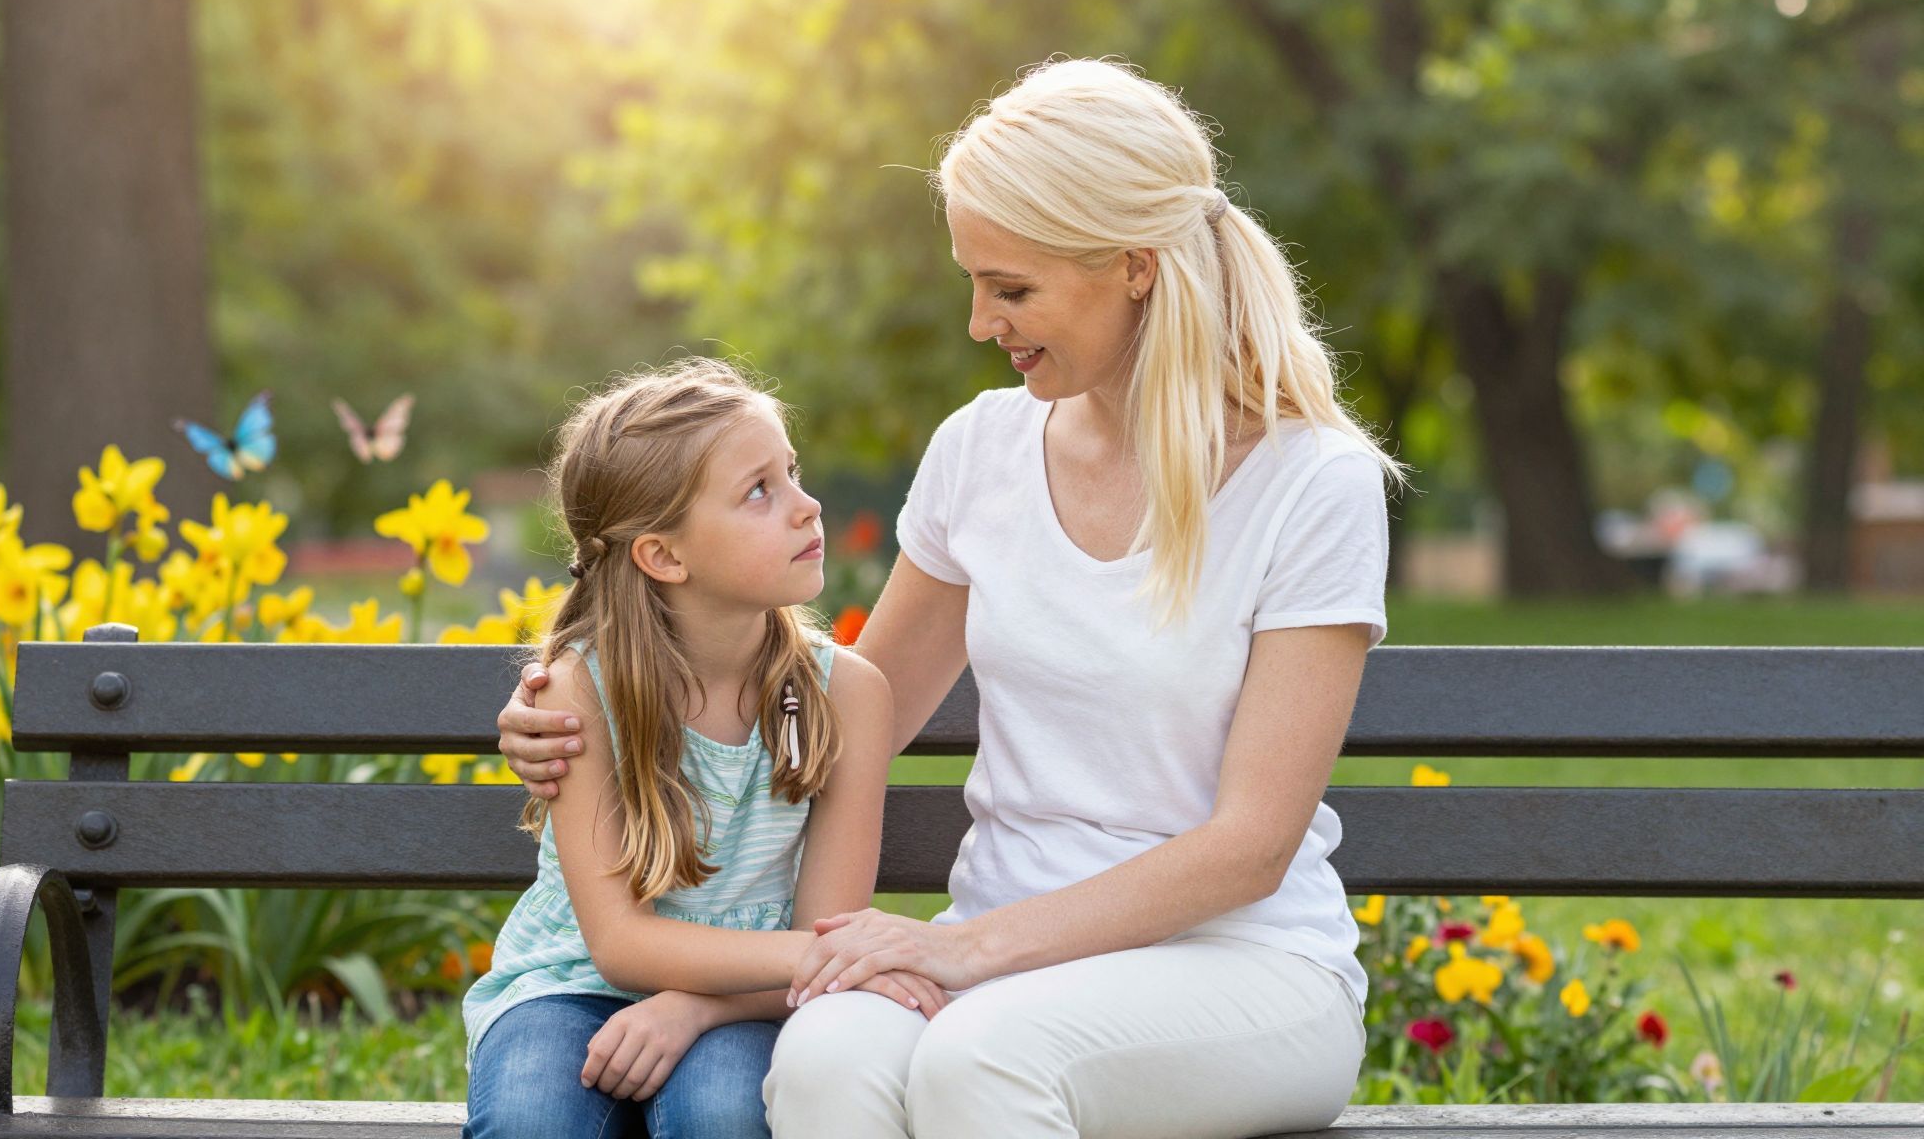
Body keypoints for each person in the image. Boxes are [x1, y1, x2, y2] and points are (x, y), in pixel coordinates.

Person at [496, 58, 1405, 1138]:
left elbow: (1249, 845)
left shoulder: (1312, 482)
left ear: (1132, 265)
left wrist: (962, 951)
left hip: (1244, 970)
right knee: (828, 1058)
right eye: (973, 282)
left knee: (983, 1063)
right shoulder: (980, 451)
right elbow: (826, 719)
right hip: (997, 956)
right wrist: (583, 710)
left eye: (1010, 288)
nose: (980, 323)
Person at [461, 360, 926, 1139]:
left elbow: (826, 940)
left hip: (753, 998)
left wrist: (695, 1009)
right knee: (529, 1120)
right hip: (568, 985)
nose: (808, 507)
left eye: (793, 473)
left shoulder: (847, 694)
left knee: (722, 1115)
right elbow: (619, 945)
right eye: (759, 491)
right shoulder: (584, 692)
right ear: (664, 556)